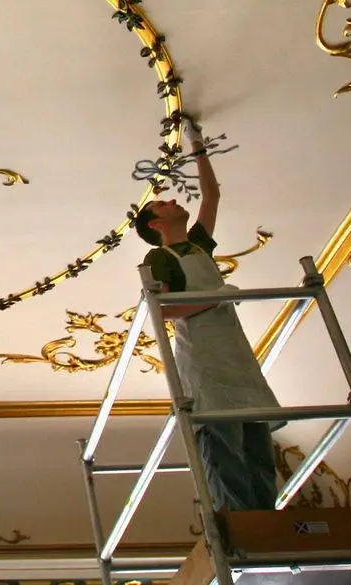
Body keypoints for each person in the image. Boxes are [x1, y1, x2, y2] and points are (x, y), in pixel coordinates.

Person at [136, 141, 280, 514]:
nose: (171, 201)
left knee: (257, 443)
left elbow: (211, 196)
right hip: (204, 355)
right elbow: (165, 311)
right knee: (223, 444)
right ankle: (239, 523)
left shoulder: (197, 246)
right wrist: (216, 298)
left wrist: (199, 151)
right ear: (154, 224)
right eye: (162, 205)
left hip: (234, 351)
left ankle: (267, 521)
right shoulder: (159, 257)